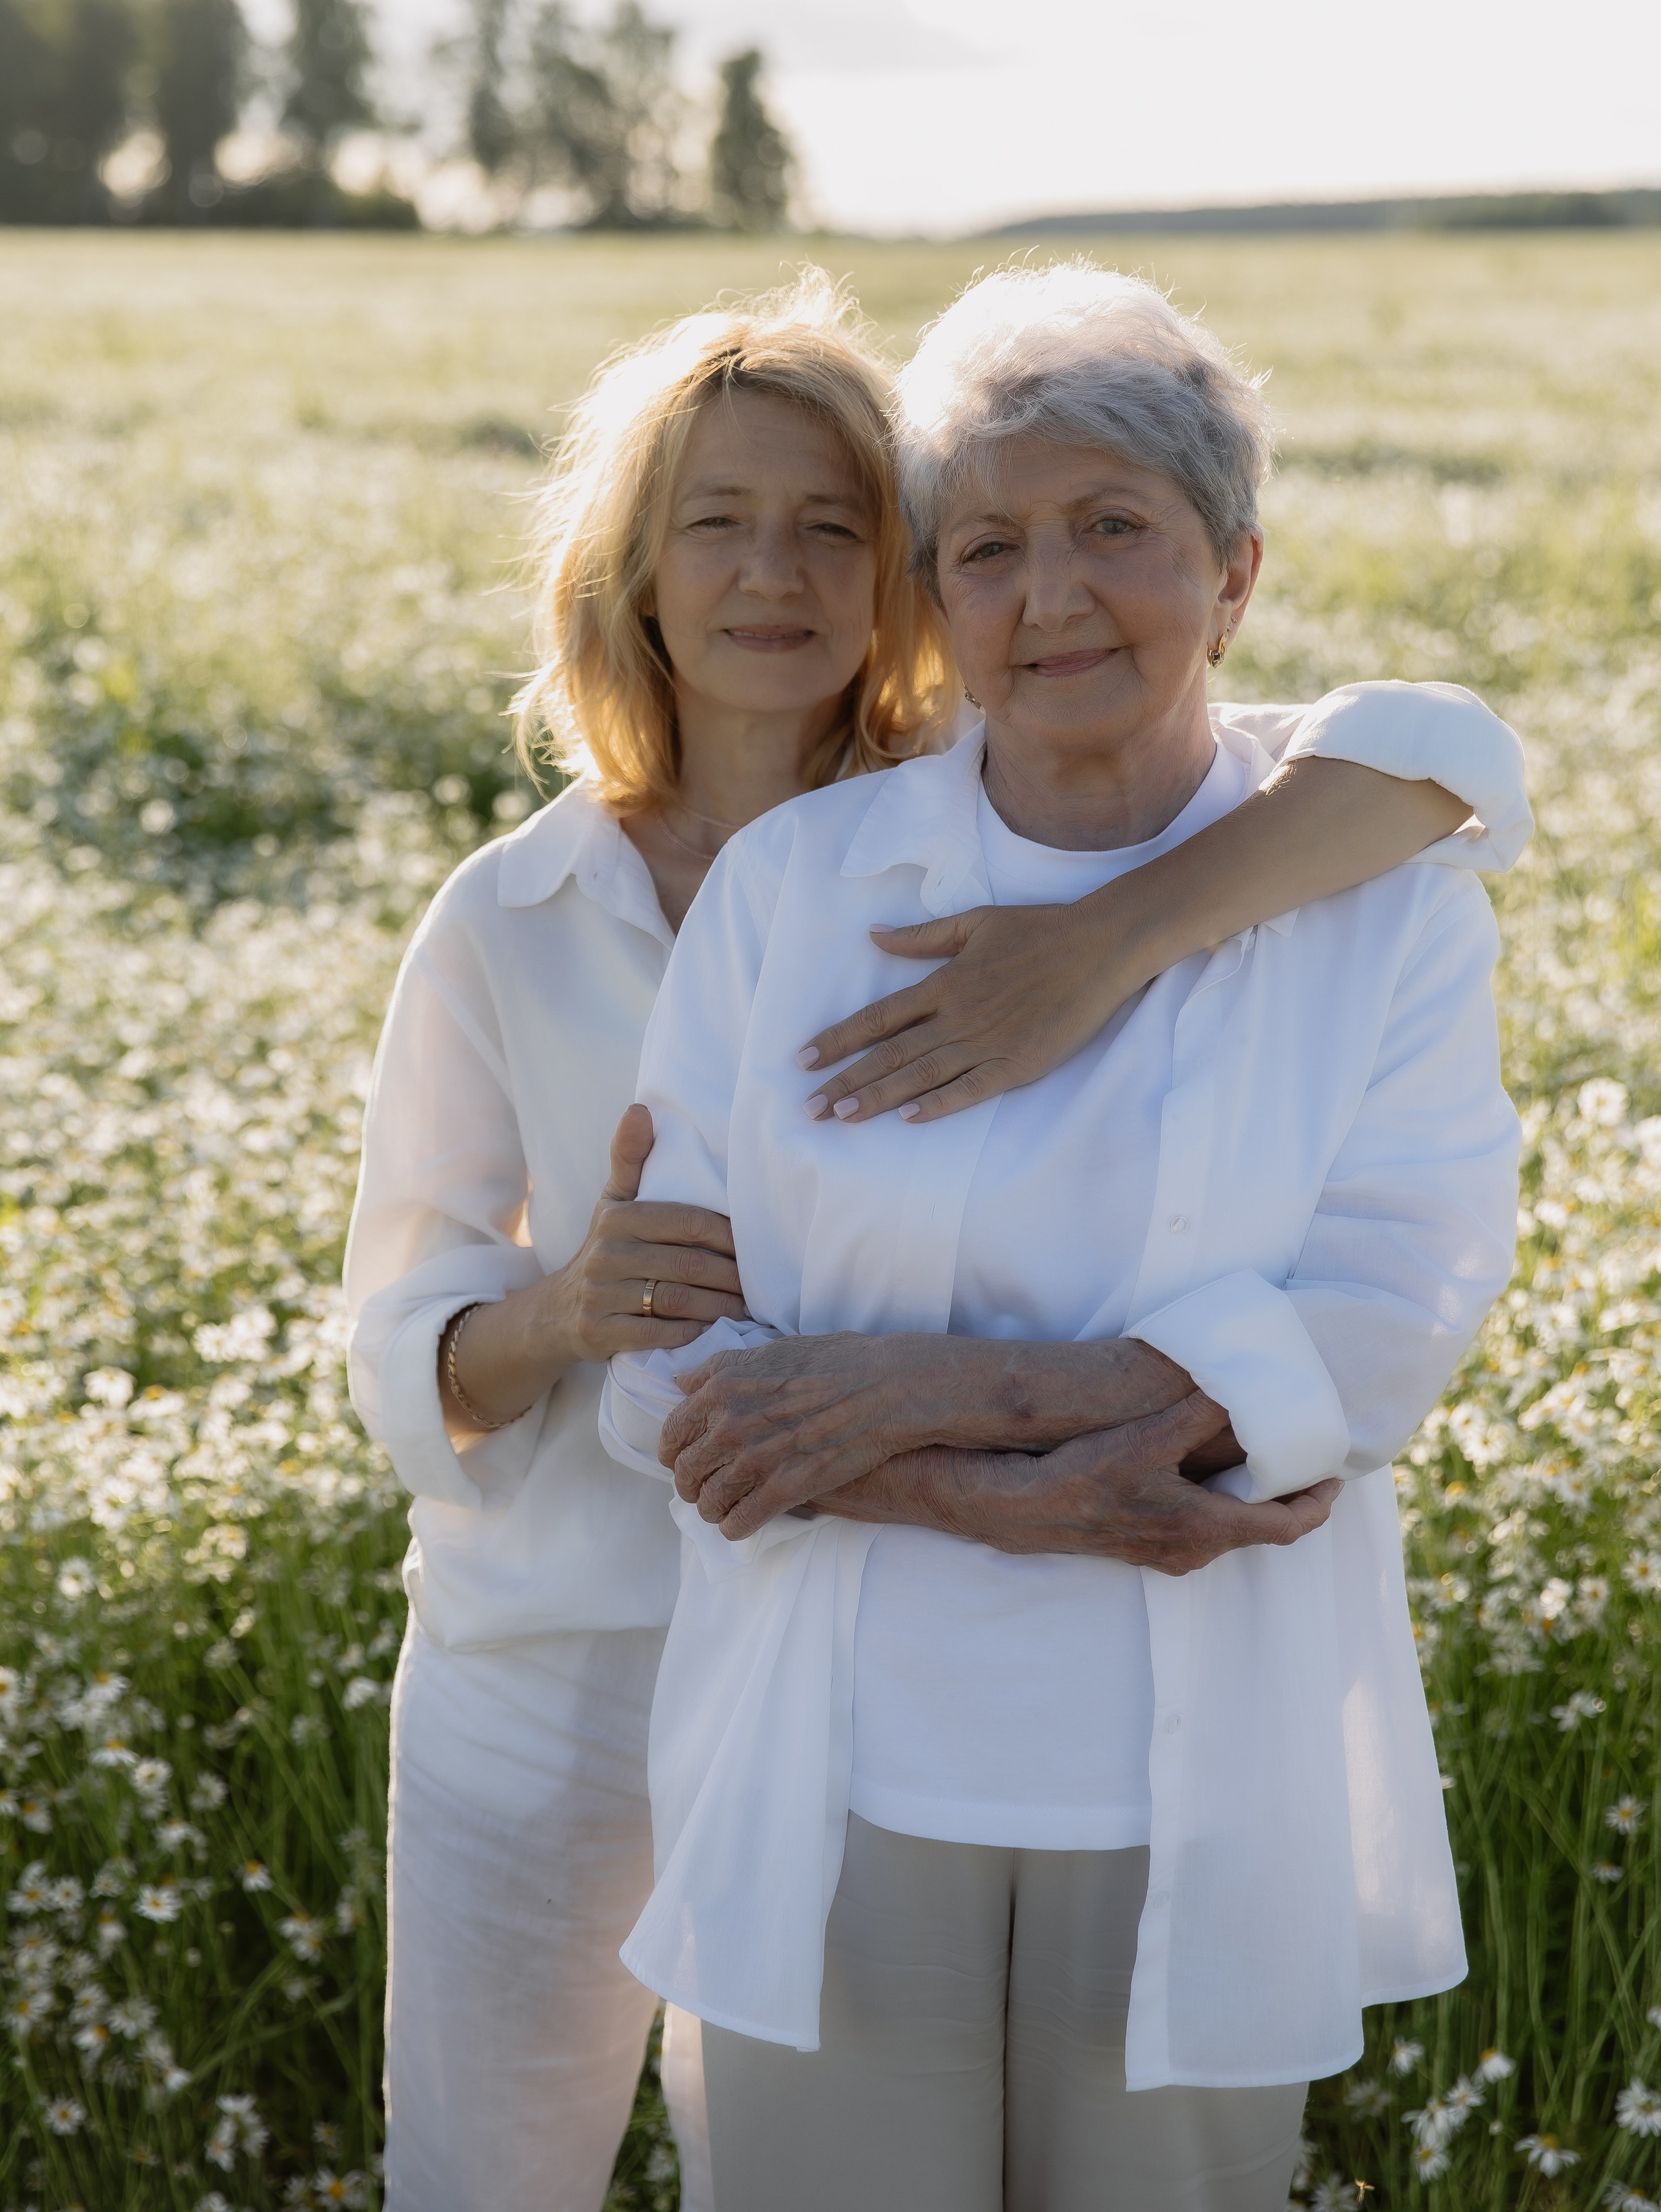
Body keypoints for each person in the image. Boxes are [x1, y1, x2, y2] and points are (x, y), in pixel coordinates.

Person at [345, 270, 1529, 2212]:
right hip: (707, 1694)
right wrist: (1009, 1473)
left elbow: (1391, 1307)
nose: (1051, 596)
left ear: (1235, 575)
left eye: (1114, 534)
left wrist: (912, 1394)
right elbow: (612, 1359)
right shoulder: (696, 897)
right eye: (991, 547)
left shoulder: (1352, 882)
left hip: (1144, 1741)